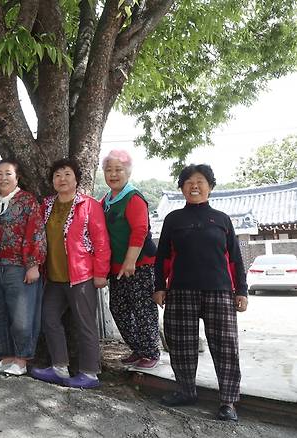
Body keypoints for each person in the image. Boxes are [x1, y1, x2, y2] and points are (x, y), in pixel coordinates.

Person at [153, 164, 248, 422]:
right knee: (181, 344)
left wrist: (241, 290)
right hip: (181, 290)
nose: (194, 185)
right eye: (188, 182)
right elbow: (161, 257)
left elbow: (236, 259)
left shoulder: (222, 219)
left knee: (225, 347)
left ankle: (228, 401)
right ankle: (186, 391)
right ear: (182, 187)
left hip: (219, 292)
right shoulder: (173, 219)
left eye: (200, 181)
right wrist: (159, 286)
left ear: (210, 187)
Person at [30, 158, 110, 389]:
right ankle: (59, 367)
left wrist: (100, 273)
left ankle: (90, 373)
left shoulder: (88, 205)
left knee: (85, 324)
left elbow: (101, 241)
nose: (61, 179)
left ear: (76, 179)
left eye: (67, 174)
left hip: (82, 276)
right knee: (49, 318)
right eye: (57, 175)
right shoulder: (47, 205)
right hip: (53, 277)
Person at [0, 159, 46, 376]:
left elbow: (36, 233)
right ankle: (5, 357)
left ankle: (21, 360)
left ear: (17, 177)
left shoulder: (27, 201)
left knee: (22, 317)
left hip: (19, 267)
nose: (3, 178)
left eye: (8, 173)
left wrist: (33, 264)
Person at [100, 149, 160, 369]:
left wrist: (130, 261)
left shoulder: (133, 197)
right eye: (109, 170)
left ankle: (151, 351)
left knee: (142, 307)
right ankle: (138, 348)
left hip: (139, 264)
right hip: (116, 268)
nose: (113, 174)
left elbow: (140, 230)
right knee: (119, 308)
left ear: (128, 171)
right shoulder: (106, 200)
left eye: (119, 169)